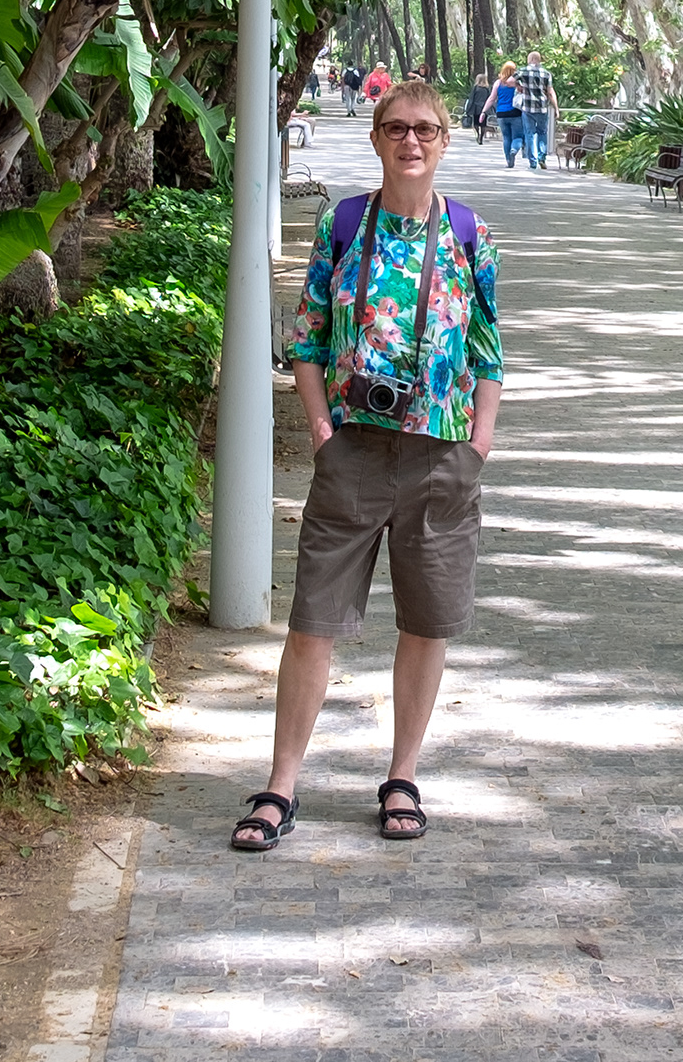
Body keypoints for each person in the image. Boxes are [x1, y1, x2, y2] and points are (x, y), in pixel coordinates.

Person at [229, 79, 503, 854]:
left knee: (426, 620)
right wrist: (320, 428)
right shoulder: (344, 223)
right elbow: (308, 335)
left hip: (442, 456)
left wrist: (478, 445)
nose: (410, 141)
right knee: (314, 617)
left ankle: (402, 776)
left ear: (446, 140)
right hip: (351, 448)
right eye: (395, 128)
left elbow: (490, 350)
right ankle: (281, 783)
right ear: (377, 138)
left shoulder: (471, 233)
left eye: (425, 129)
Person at [515, 49, 557, 170]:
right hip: (542, 108)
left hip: (528, 108)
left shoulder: (523, 71)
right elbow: (550, 92)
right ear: (539, 60)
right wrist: (556, 108)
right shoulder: (546, 73)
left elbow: (509, 81)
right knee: (542, 132)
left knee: (530, 134)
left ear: (530, 60)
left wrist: (519, 86)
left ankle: (533, 161)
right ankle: (542, 157)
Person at [488, 59, 523, 165]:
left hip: (501, 114)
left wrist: (483, 111)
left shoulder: (498, 83)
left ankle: (508, 159)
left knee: (506, 137)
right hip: (515, 113)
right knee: (518, 137)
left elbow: (492, 98)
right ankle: (514, 150)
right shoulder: (517, 84)